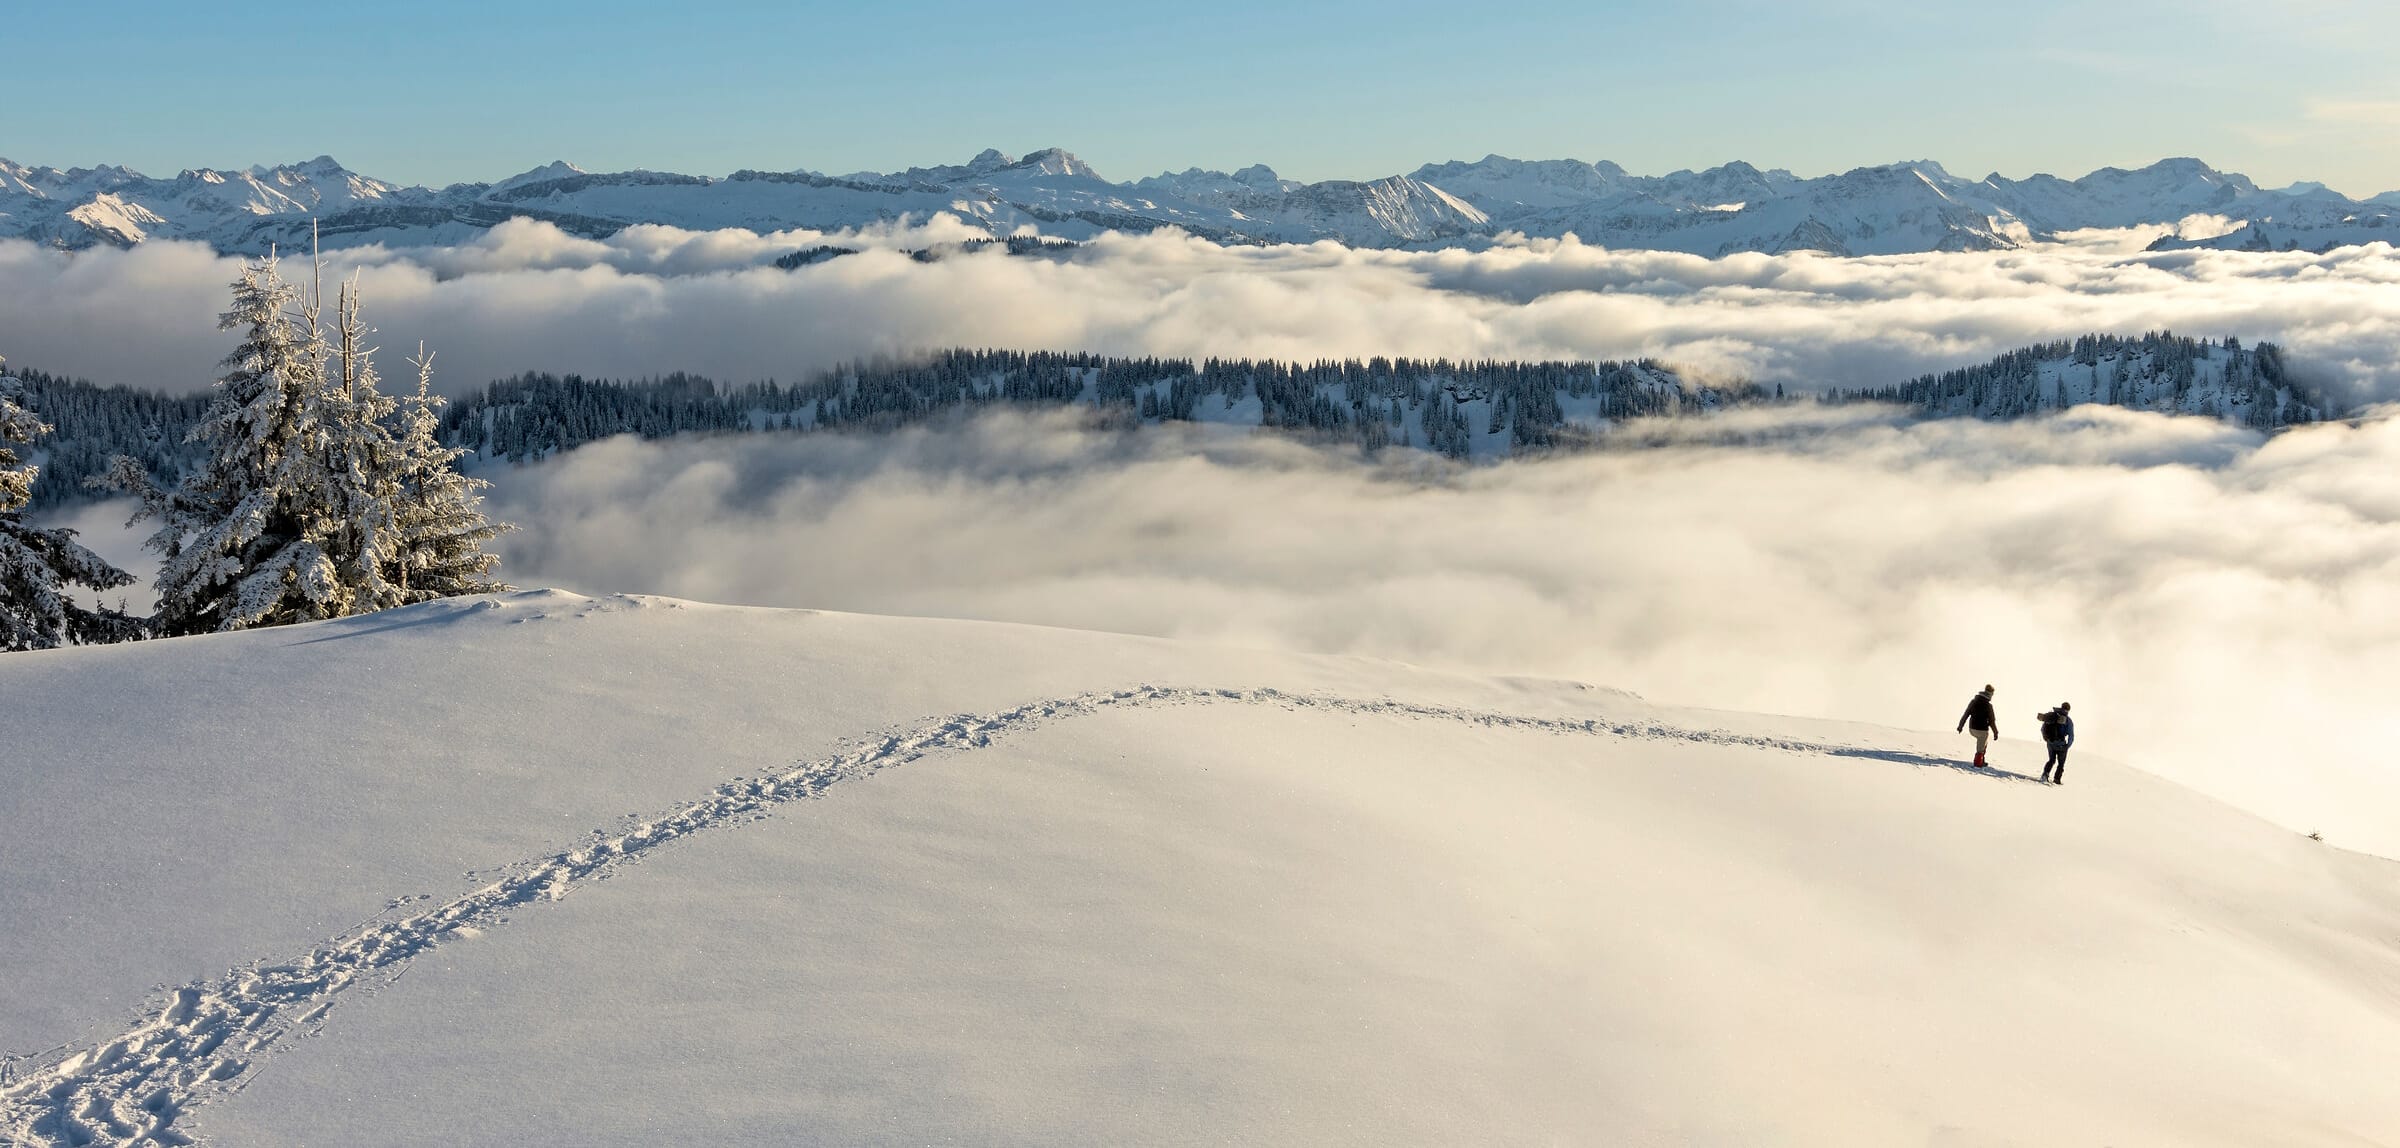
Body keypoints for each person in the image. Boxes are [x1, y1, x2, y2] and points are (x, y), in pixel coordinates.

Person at [1957, 685, 1999, 768]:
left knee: (1983, 742)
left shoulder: (1974, 701)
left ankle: (1981, 760)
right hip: (1982, 730)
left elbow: (1966, 714)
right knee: (1982, 744)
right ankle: (1978, 763)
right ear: (1990, 694)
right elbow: (1992, 721)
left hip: (1972, 729)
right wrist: (1995, 732)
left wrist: (1960, 726)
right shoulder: (1988, 706)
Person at [2039, 703, 2076, 785]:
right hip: (2061, 744)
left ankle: (2045, 775)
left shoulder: (2052, 716)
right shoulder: (2068, 720)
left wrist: (2046, 739)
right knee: (2061, 763)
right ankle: (2057, 779)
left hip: (2050, 742)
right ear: (2068, 710)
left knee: (2051, 760)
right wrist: (2067, 746)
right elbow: (2071, 735)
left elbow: (2042, 729)